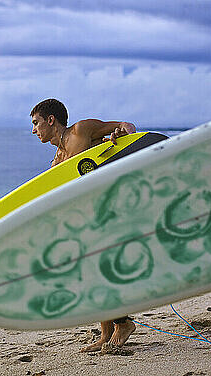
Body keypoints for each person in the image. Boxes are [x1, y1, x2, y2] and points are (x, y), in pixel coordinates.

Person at [30, 98, 138, 352]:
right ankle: (106, 332)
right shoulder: (56, 161)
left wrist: (121, 134)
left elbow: (126, 125)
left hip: (105, 212)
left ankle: (122, 323)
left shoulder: (81, 131)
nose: (34, 130)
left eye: (36, 123)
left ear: (50, 120)